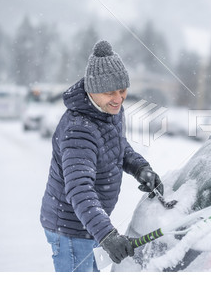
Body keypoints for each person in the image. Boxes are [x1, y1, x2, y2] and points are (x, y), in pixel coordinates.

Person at [40, 40, 163, 272]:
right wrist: (107, 235)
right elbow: (79, 189)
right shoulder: (79, 129)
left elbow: (117, 146)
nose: (118, 98)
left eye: (122, 90)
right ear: (91, 90)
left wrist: (140, 168)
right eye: (109, 92)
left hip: (91, 223)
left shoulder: (109, 111)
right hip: (71, 229)